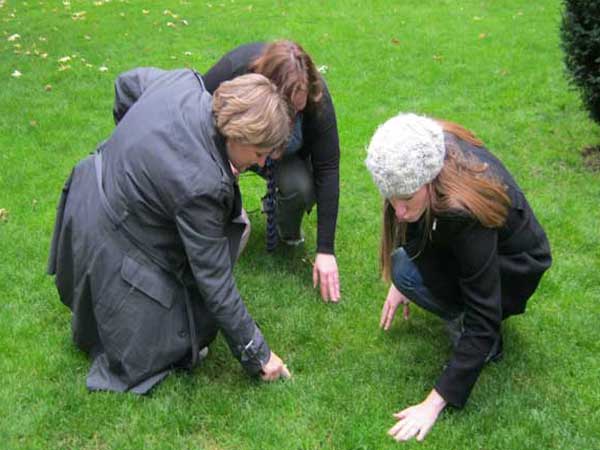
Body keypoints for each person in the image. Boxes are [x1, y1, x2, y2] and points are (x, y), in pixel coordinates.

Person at [47, 70, 293, 393]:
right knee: (185, 337)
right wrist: (258, 353)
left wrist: (130, 154)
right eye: (259, 153)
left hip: (86, 196)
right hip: (108, 241)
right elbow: (214, 282)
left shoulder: (183, 82)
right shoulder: (203, 183)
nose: (261, 163)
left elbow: (125, 85)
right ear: (238, 136)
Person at [365, 113, 552, 442]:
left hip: (518, 268)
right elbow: (413, 226)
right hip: (482, 248)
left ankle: (486, 343)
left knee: (428, 282)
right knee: (404, 268)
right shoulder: (424, 152)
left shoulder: (463, 213)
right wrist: (400, 282)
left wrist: (433, 403)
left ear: (428, 181)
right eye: (391, 198)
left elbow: (484, 313)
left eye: (406, 199)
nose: (399, 212)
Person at [203, 40, 341, 303]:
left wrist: (325, 249)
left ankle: (284, 225)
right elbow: (198, 113)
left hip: (284, 158)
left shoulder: (316, 96)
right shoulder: (235, 68)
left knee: (301, 186)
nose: (295, 114)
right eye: (288, 110)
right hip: (237, 143)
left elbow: (328, 166)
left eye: (298, 110)